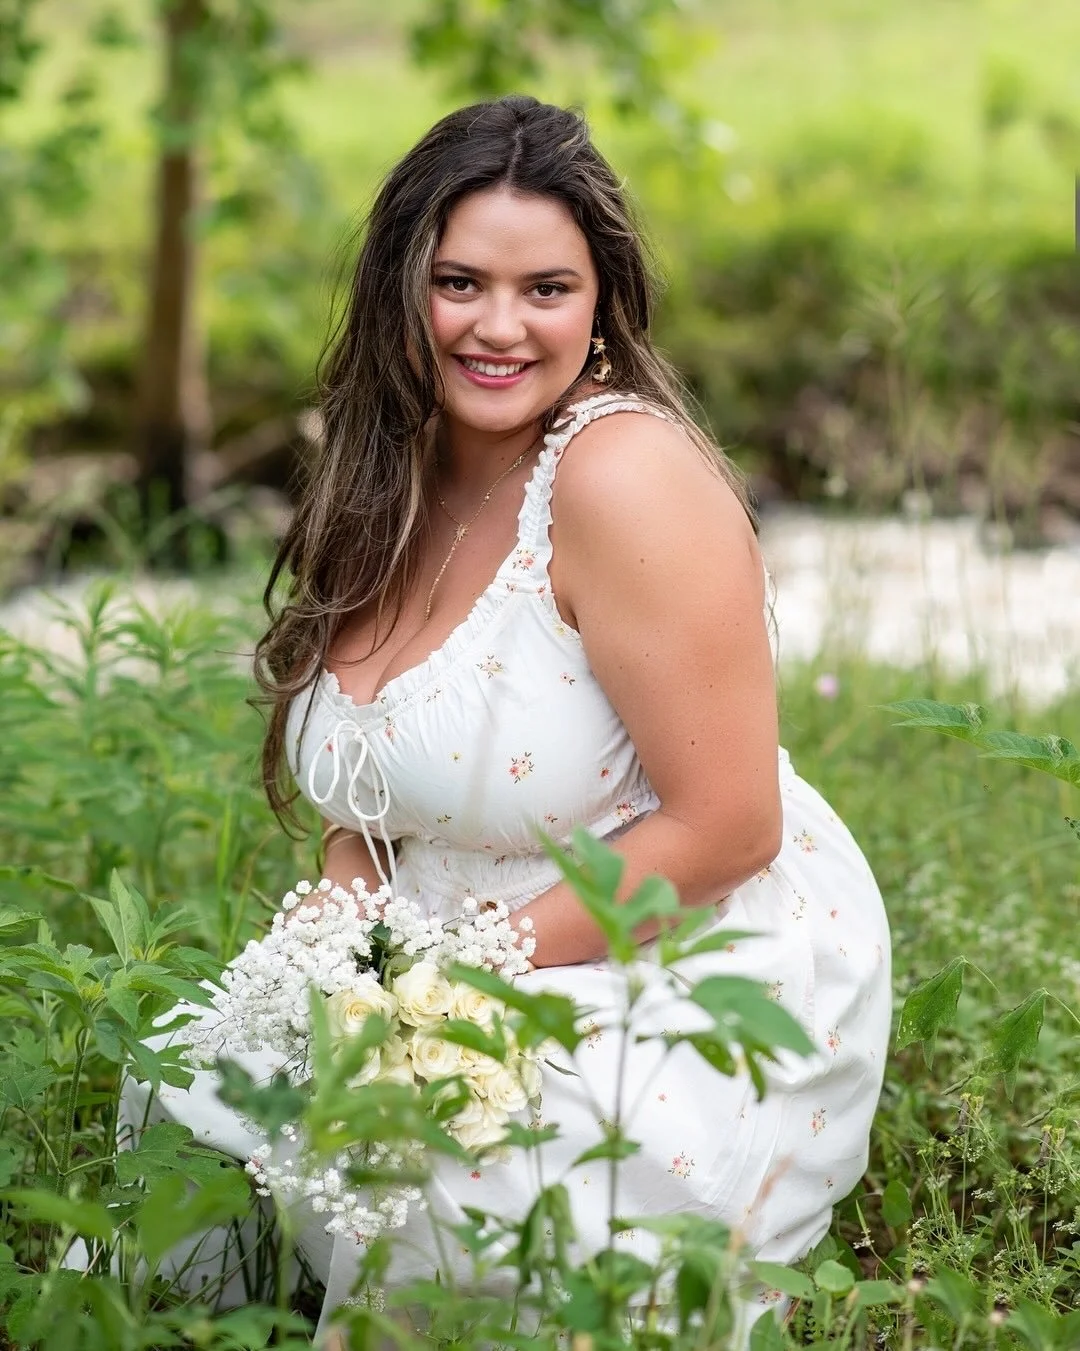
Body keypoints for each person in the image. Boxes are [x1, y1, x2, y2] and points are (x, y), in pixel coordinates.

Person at [143, 95, 891, 1345]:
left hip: (669, 941)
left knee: (459, 1184)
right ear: (402, 291)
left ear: (602, 302)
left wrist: (457, 979)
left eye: (546, 287)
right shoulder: (386, 466)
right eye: (460, 283)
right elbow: (362, 802)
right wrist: (338, 940)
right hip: (442, 943)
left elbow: (727, 828)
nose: (499, 327)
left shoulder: (622, 480)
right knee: (197, 1086)